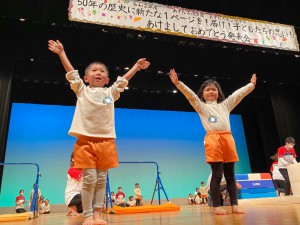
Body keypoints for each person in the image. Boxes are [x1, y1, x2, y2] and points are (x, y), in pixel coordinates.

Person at [48, 40, 150, 225]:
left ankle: (97, 214)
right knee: (89, 179)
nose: (98, 73)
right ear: (86, 78)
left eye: (102, 71)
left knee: (101, 179)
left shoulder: (110, 93)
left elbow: (124, 80)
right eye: (94, 70)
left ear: (107, 79)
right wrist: (62, 53)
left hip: (106, 142)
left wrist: (136, 66)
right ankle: (87, 215)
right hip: (85, 141)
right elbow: (71, 74)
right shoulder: (82, 90)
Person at [169, 69, 256, 215]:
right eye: (207, 90)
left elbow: (237, 95)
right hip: (213, 140)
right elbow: (190, 96)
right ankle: (216, 206)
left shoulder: (225, 105)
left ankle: (234, 205)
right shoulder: (201, 107)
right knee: (217, 174)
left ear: (218, 92)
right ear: (203, 93)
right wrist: (178, 84)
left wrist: (251, 85)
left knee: (230, 175)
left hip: (228, 138)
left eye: (214, 89)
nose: (211, 92)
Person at [65, 152, 83, 216]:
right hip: (72, 196)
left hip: (78, 196)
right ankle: (71, 206)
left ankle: (72, 208)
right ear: (73, 159)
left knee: (83, 209)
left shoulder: (82, 170)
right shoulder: (72, 169)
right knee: (90, 198)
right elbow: (83, 179)